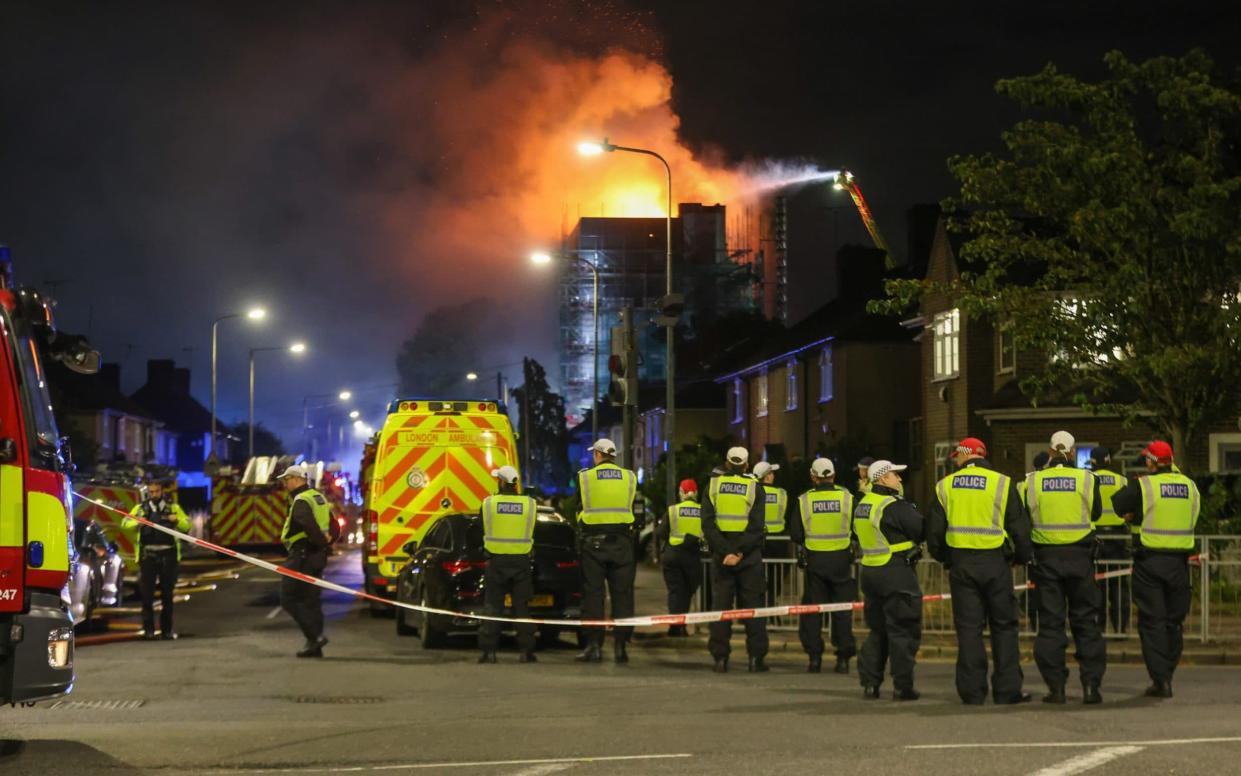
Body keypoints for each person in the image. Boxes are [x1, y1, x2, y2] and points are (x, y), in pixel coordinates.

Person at [927, 437, 1034, 705]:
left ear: (966, 454)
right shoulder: (1003, 483)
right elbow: (1019, 529)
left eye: (957, 456)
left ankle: (972, 692)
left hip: (962, 565)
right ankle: (1007, 690)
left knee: (969, 629)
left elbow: (934, 534)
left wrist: (946, 558)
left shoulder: (945, 486)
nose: (955, 460)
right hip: (996, 564)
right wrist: (1020, 558)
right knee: (1004, 627)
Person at [1111, 440, 1201, 698]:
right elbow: (1192, 518)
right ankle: (1168, 673)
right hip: (1179, 565)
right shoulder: (1190, 486)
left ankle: (1160, 680)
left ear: (1151, 462)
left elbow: (1119, 504)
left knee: (1152, 623)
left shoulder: (1144, 485)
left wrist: (1135, 515)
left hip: (1150, 563)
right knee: (1174, 623)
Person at [1023, 431, 1105, 704]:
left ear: (1049, 451)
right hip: (1081, 559)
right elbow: (1095, 514)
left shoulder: (1032, 482)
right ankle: (1091, 687)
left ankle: (1056, 688)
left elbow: (1023, 517)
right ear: (1072, 453)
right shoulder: (1087, 479)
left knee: (1050, 626)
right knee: (1086, 624)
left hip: (1046, 561)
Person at [854, 460, 924, 701]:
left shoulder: (864, 504)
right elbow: (920, 529)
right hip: (895, 572)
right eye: (895, 475)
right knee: (903, 630)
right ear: (883, 478)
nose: (900, 479)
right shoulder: (893, 505)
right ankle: (903, 687)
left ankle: (870, 684)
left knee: (878, 631)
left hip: (871, 572)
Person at [701, 446, 769, 673]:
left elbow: (708, 526)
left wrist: (726, 552)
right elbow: (757, 527)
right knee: (753, 609)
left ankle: (720, 659)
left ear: (727, 463)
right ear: (747, 465)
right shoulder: (755, 488)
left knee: (721, 609)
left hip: (722, 558)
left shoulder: (712, 486)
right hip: (748, 557)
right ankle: (755, 659)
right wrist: (739, 552)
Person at [789, 457, 856, 674]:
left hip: (815, 563)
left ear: (813, 477)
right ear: (833, 475)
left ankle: (815, 658)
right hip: (841, 561)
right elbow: (856, 528)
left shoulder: (804, 500)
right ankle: (843, 659)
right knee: (842, 611)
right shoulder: (847, 498)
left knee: (813, 611)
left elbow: (797, 534)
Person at [575, 439, 638, 664]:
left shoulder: (585, 477)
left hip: (594, 545)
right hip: (622, 543)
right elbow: (632, 507)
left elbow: (579, 510)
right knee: (623, 596)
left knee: (593, 596)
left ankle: (594, 647)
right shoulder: (630, 477)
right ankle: (621, 647)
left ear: (599, 455)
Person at [477, 465, 538, 664]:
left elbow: (480, 529)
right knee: (522, 608)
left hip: (496, 562)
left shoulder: (489, 504)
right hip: (521, 562)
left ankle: (489, 652)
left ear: (501, 482)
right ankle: (526, 651)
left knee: (493, 607)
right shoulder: (529, 504)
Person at [123, 480, 192, 640]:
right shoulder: (140, 509)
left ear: (162, 491)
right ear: (148, 492)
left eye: (157, 491)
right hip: (148, 557)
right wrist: (137, 522)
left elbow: (187, 525)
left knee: (167, 596)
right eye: (151, 492)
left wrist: (176, 520)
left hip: (168, 557)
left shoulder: (173, 507)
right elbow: (125, 523)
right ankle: (149, 631)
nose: (154, 494)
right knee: (147, 596)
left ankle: (167, 631)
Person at [276, 464, 332, 658]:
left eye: (286, 479)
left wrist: (318, 541)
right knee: (311, 601)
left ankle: (315, 636)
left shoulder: (301, 500)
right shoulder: (319, 498)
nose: (285, 484)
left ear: (297, 479)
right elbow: (333, 525)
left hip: (301, 555)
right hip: (316, 556)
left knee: (288, 598)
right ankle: (314, 646)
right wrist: (326, 543)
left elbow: (304, 520)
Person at [1089, 447, 1132, 634]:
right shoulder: (1121, 479)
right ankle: (1120, 627)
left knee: (1096, 583)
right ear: (1108, 461)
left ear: (1092, 462)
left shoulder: (1087, 480)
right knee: (1119, 584)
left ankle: (1098, 626)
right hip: (1118, 538)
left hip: (1095, 537)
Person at [660, 478, 704, 637]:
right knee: (687, 592)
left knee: (675, 591)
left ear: (681, 492)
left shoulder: (673, 510)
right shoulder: (703, 511)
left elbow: (661, 533)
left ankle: (674, 626)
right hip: (692, 556)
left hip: (672, 556)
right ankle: (682, 625)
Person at [754, 461, 790, 606]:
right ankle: (771, 602)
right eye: (771, 473)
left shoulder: (752, 492)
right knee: (778, 575)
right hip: (778, 541)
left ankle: (761, 604)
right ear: (767, 477)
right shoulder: (781, 493)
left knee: (758, 576)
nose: (774, 475)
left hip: (758, 541)